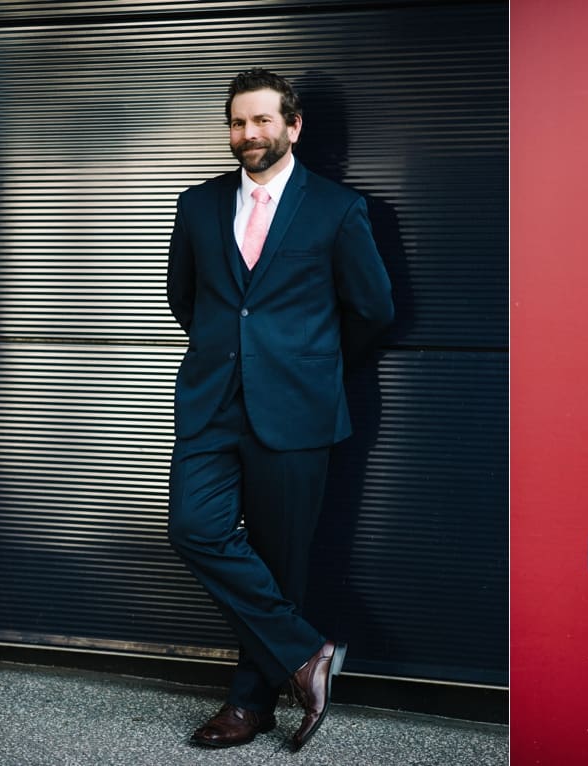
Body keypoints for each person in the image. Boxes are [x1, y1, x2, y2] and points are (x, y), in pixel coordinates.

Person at [165, 68, 394, 751]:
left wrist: (307, 363)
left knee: (279, 560)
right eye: (238, 122)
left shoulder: (336, 209)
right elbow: (188, 301)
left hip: (298, 409)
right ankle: (307, 653)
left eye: (263, 120)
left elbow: (373, 310)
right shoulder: (197, 205)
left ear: (292, 127)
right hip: (211, 403)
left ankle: (249, 703)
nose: (249, 134)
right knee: (193, 527)